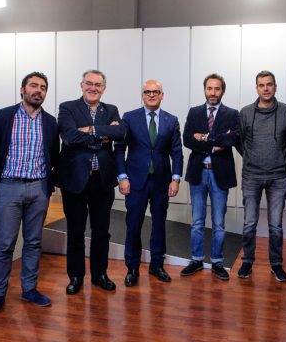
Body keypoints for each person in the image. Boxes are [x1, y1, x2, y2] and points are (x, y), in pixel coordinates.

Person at [0, 72, 60, 317]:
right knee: (5, 244)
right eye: (33, 86)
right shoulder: (3, 116)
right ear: (22, 89)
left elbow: (54, 154)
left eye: (43, 87)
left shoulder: (50, 122)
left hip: (39, 188)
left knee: (33, 242)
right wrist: (1, 175)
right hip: (8, 187)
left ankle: (29, 289)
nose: (38, 91)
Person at [56, 70, 126, 294]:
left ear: (103, 88)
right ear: (81, 85)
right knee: (75, 231)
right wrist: (103, 135)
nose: (93, 88)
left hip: (102, 180)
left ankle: (99, 275)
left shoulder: (111, 109)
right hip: (75, 179)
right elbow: (69, 136)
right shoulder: (67, 107)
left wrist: (90, 130)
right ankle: (76, 276)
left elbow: (121, 133)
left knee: (101, 231)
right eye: (89, 83)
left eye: (98, 85)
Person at [115, 80, 184, 286]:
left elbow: (177, 153)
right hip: (135, 182)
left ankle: (157, 265)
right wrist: (122, 177)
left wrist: (176, 179)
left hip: (162, 182)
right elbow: (119, 149)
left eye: (156, 92)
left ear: (162, 95)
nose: (151, 95)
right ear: (142, 95)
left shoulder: (171, 120)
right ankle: (132, 267)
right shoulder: (129, 118)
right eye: (147, 92)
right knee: (133, 225)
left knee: (159, 225)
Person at [237, 71, 286, 282]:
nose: (265, 88)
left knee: (275, 225)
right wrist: (252, 158)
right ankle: (247, 261)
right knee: (249, 223)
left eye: (269, 84)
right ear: (256, 88)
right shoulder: (245, 112)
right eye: (261, 85)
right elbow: (240, 142)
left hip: (278, 177)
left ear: (275, 87)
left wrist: (279, 158)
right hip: (251, 176)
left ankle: (276, 264)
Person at [181, 73, 240, 280]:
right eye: (209, 88)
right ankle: (196, 259)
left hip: (220, 173)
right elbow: (187, 139)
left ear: (222, 91)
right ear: (204, 90)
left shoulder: (232, 114)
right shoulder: (194, 112)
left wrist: (204, 137)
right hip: (198, 172)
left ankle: (217, 262)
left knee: (219, 222)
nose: (213, 92)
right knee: (197, 221)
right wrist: (216, 143)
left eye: (217, 88)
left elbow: (232, 139)